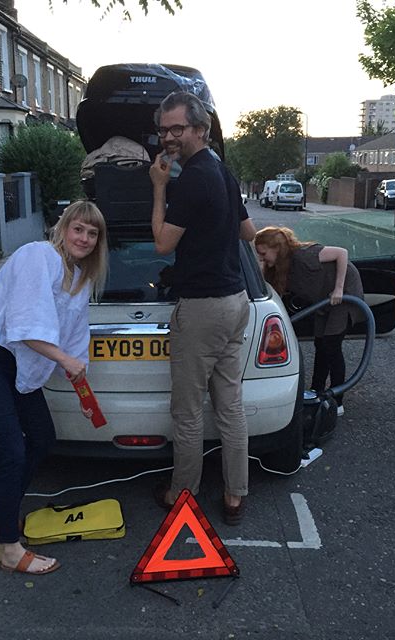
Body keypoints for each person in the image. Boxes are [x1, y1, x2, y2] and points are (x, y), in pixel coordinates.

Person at [0, 201, 108, 575]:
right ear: (62, 228)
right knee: (12, 450)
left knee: (41, 437)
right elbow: (26, 327)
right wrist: (68, 363)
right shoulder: (39, 256)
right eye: (78, 229)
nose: (84, 238)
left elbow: (73, 340)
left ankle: (3, 519)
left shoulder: (80, 278)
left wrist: (82, 388)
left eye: (92, 233)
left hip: (16, 364)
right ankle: (10, 548)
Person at [149, 91, 257, 525]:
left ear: (200, 129)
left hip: (203, 307)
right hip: (236, 302)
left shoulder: (192, 177)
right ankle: (235, 495)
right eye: (164, 129)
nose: (169, 137)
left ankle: (182, 493)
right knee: (229, 405)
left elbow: (161, 244)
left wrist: (159, 188)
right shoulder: (223, 172)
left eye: (178, 129)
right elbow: (248, 233)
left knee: (189, 410)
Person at [254, 226, 364, 415]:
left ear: (277, 248)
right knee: (320, 344)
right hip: (324, 301)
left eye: (263, 253)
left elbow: (341, 253)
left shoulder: (304, 255)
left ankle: (338, 401)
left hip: (344, 294)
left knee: (331, 344)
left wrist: (338, 289)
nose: (262, 258)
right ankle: (316, 391)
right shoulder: (279, 269)